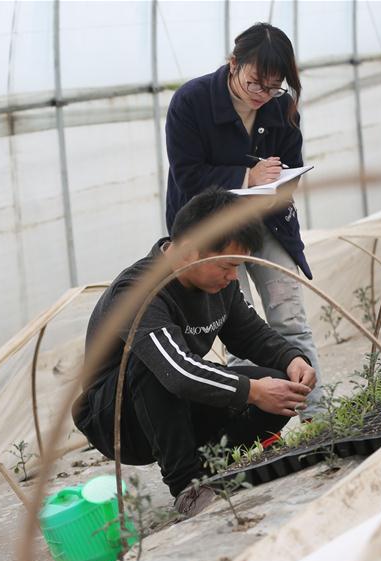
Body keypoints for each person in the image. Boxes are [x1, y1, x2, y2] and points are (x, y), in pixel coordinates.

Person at [72, 188, 316, 517]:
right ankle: (187, 486)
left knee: (278, 385)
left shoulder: (220, 286)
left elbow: (250, 333)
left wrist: (292, 359)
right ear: (188, 251)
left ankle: (215, 466)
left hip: (178, 403)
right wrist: (252, 391)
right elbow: (176, 371)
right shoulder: (136, 292)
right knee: (160, 364)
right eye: (228, 266)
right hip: (119, 421)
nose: (234, 277)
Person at [163, 22, 322, 418]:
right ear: (234, 64)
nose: (262, 96)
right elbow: (188, 174)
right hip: (213, 233)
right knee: (237, 333)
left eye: (273, 87)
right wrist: (246, 177)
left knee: (291, 321)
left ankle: (319, 419)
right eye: (255, 84)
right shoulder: (191, 102)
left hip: (267, 224)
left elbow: (291, 168)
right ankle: (254, 435)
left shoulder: (280, 107)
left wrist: (283, 183)